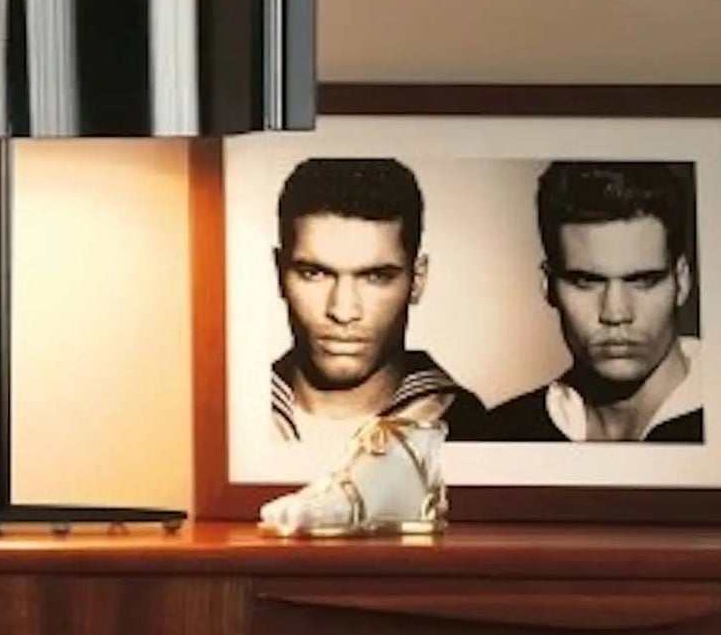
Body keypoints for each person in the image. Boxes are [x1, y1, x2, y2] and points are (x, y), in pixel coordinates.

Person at [270, 156, 488, 450]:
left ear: (417, 280)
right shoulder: (225, 412)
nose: (343, 311)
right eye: (314, 273)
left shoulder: (478, 430)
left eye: (376, 277)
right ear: (279, 272)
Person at [484, 160, 702, 442]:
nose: (616, 313)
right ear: (549, 287)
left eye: (643, 280)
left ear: (682, 281)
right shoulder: (498, 434)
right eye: (587, 281)